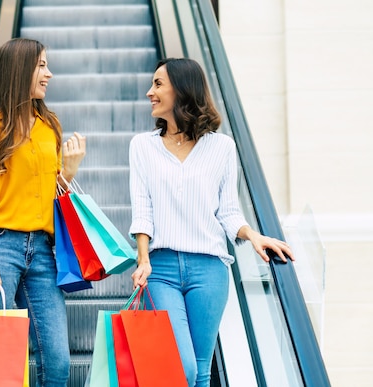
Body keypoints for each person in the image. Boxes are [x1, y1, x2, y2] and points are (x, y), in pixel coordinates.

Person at [128, 58, 294, 387]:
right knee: (183, 368)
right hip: (160, 270)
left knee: (202, 371)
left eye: (158, 84)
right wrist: (142, 259)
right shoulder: (142, 147)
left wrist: (253, 235)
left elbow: (228, 211)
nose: (150, 92)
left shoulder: (222, 147)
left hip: (210, 269)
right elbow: (142, 208)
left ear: (183, 89)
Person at [0, 38, 86, 387]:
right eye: (41, 65)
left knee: (57, 363)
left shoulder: (48, 126)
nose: (49, 74)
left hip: (42, 251)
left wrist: (68, 173)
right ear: (19, 69)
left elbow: (47, 195)